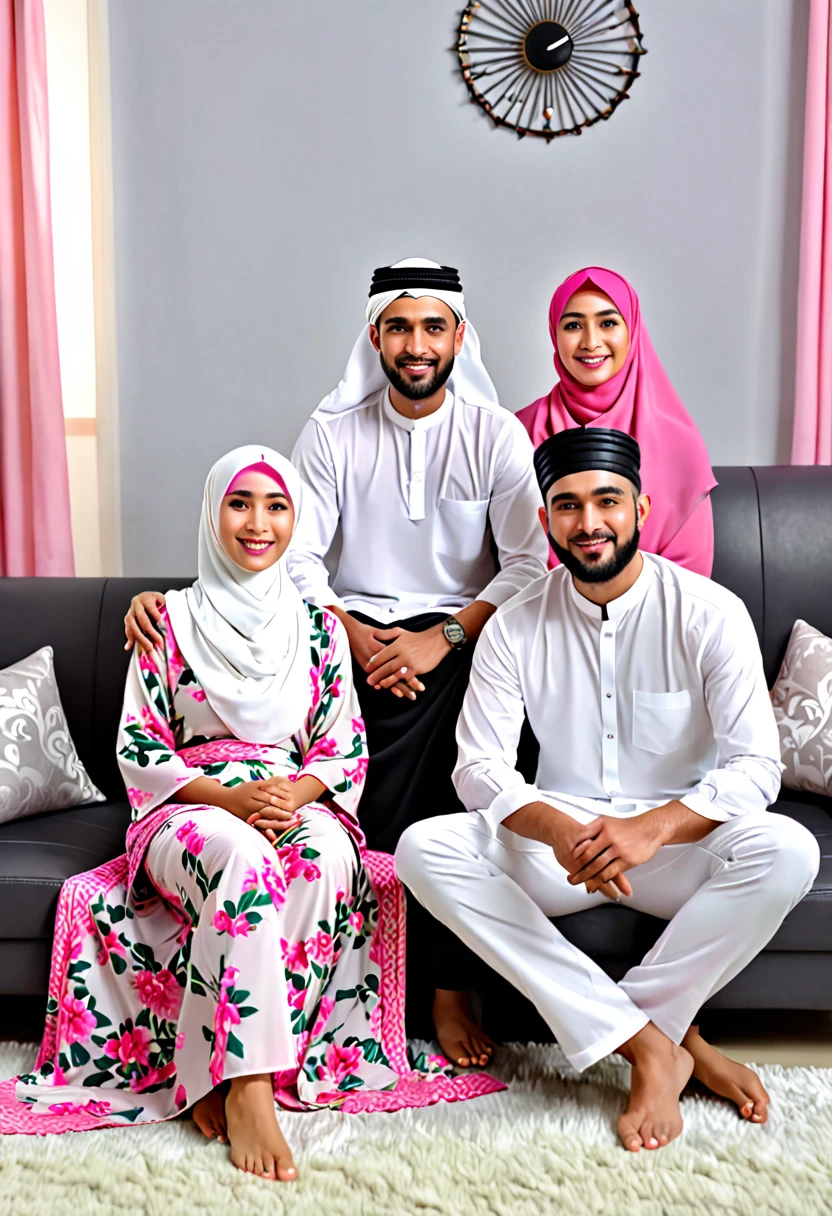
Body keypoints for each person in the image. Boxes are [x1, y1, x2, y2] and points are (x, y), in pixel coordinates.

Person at [1, 446, 500, 1178]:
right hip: (192, 803)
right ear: (212, 513)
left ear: (296, 521)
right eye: (240, 503)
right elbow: (140, 747)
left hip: (290, 792)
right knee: (240, 859)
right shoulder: (166, 620)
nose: (258, 523)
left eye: (276, 507)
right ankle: (248, 1084)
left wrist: (294, 796)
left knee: (330, 858)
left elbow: (342, 746)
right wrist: (228, 800)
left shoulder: (323, 631)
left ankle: (207, 1062)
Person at [124, 258, 549, 1068]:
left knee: (485, 739)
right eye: (399, 327)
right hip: (349, 640)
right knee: (349, 732)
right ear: (374, 337)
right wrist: (354, 636)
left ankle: (451, 984)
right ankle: (367, 978)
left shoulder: (496, 435)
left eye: (432, 327)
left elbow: (526, 566)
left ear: (460, 335)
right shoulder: (332, 433)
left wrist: (444, 637)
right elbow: (289, 556)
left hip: (459, 645)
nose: (416, 345)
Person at [395, 426, 820, 1153]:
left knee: (789, 850)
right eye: (568, 505)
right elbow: (480, 768)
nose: (588, 522)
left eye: (606, 501)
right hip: (561, 850)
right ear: (545, 521)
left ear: (641, 507)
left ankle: (644, 1029)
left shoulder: (710, 612)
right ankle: (657, 1046)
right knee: (422, 847)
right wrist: (559, 829)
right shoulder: (516, 623)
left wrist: (651, 828)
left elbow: (754, 767)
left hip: (673, 847)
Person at [516, 267, 716, 576]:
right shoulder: (518, 431)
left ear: (632, 330)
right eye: (573, 325)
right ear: (555, 335)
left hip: (657, 616)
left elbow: (689, 583)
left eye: (608, 323)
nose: (591, 342)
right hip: (541, 616)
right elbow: (511, 559)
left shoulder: (679, 443)